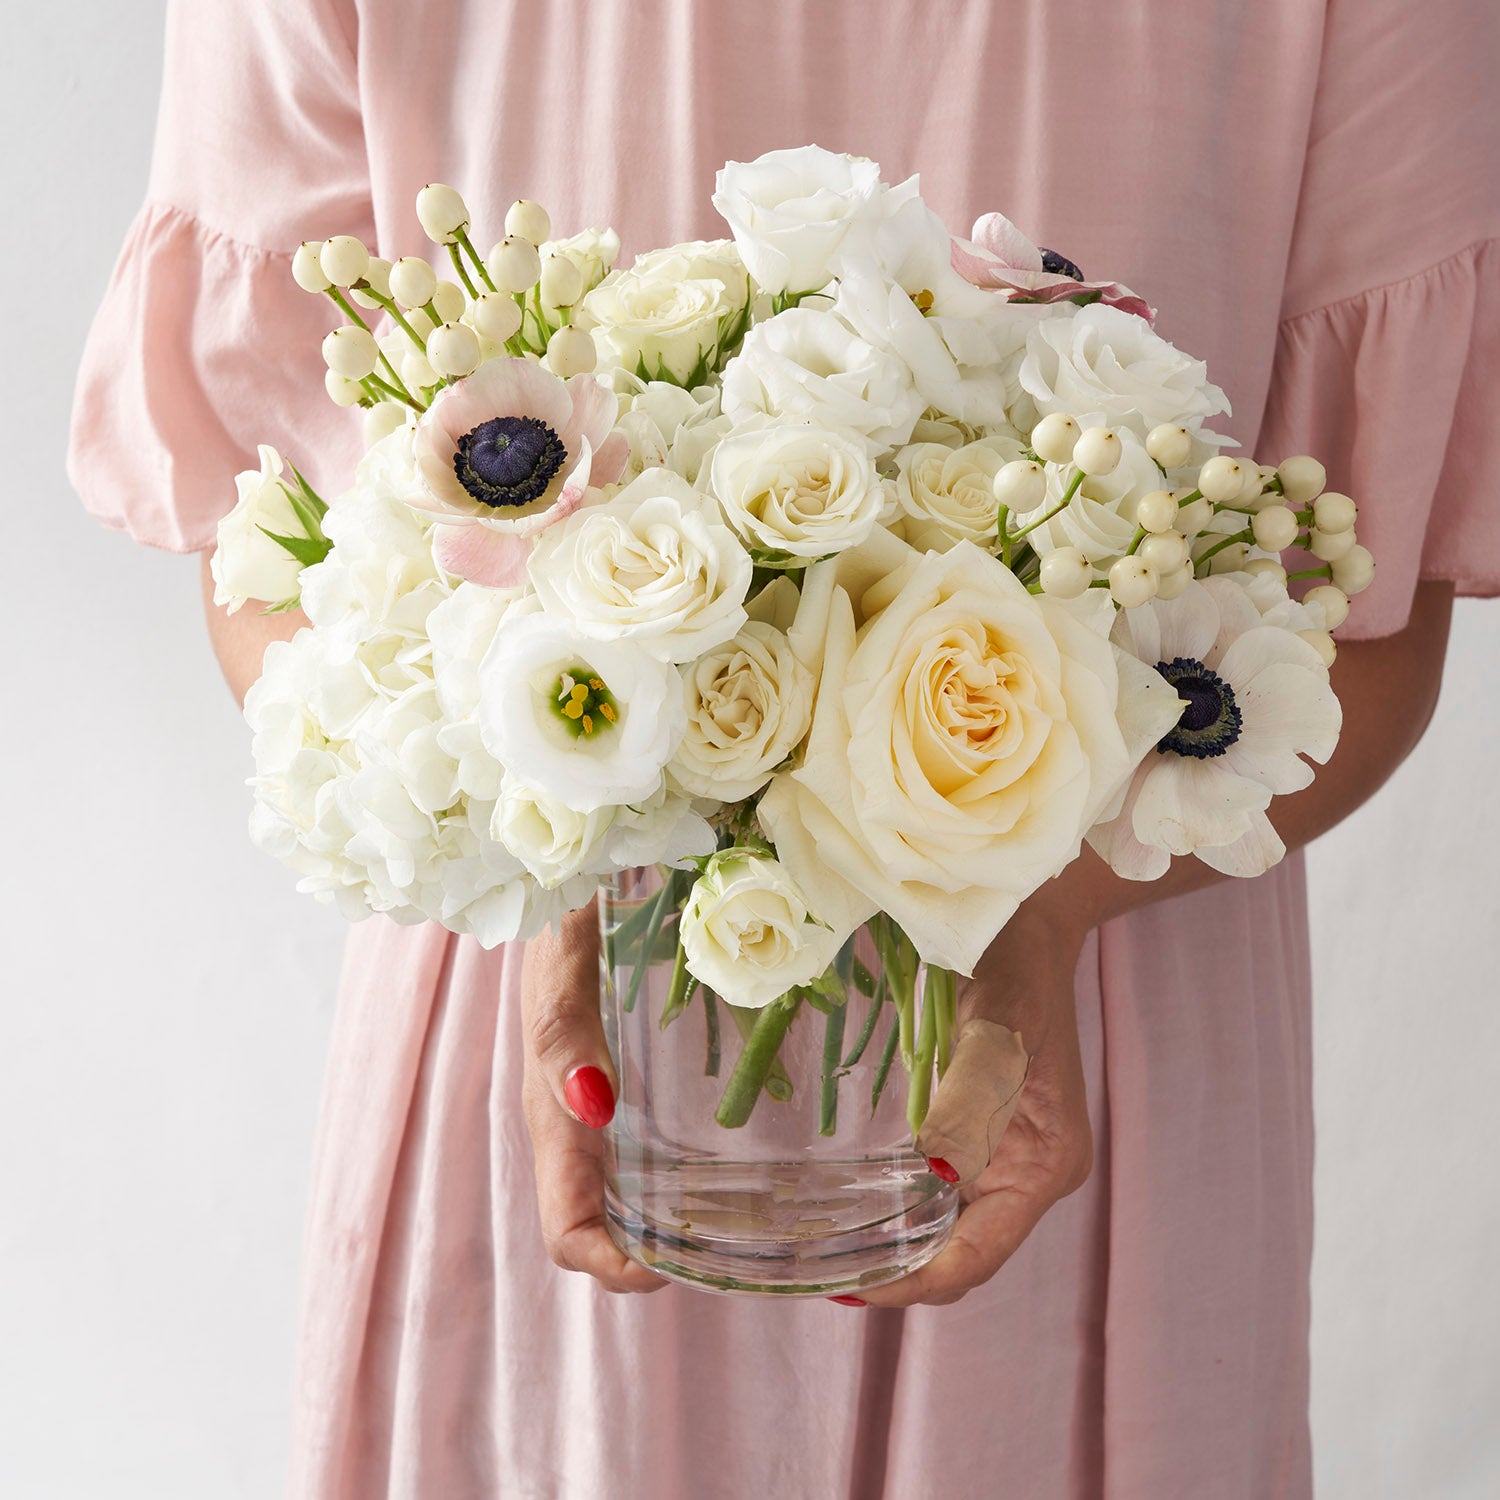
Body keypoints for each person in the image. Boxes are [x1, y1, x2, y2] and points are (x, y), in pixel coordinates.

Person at [68, 2, 1498, 1495]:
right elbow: (278, 551)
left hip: (1061, 1065)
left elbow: (1365, 622)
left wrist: (1041, 917)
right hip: (556, 1022)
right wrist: (561, 866)